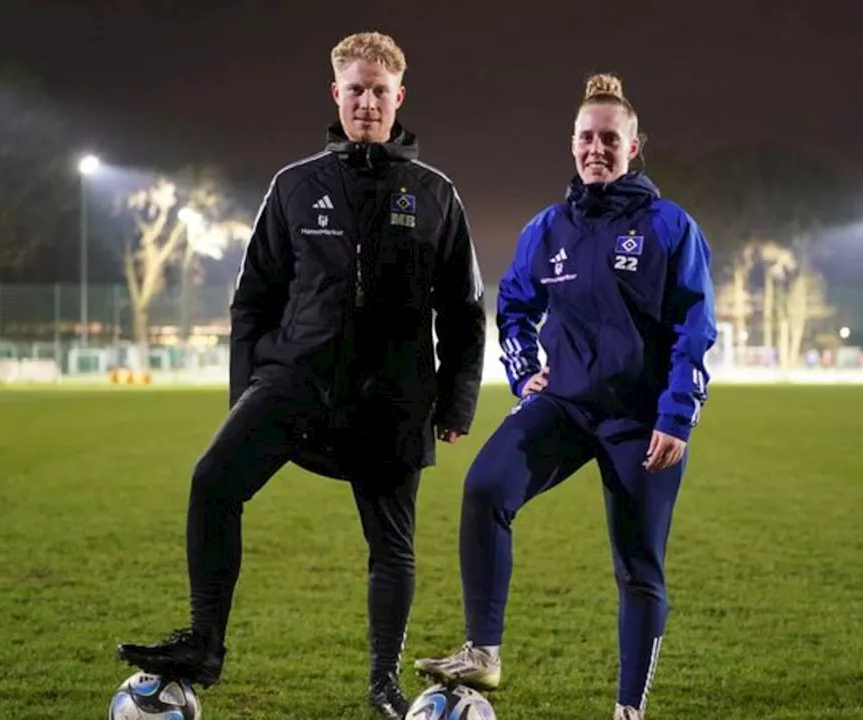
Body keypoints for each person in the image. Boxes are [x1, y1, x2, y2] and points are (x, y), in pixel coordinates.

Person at [117, 31, 487, 719]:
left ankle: (383, 683)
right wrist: (245, 397)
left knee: (392, 546)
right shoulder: (294, 186)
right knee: (212, 481)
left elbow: (466, 311)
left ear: (399, 97)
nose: (369, 102)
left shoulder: (435, 194)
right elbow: (252, 299)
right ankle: (204, 644)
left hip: (390, 397)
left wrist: (457, 398)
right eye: (357, 89)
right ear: (336, 95)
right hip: (298, 381)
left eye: (381, 91)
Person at [414, 72, 717, 720]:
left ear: (634, 147)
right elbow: (514, 306)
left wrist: (677, 416)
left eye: (610, 137)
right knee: (485, 488)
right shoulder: (547, 230)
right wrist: (526, 375)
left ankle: (628, 709)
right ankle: (483, 650)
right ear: (572, 144)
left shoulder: (670, 228)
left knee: (638, 567)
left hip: (642, 422)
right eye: (586, 137)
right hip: (568, 406)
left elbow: (696, 326)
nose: (596, 148)